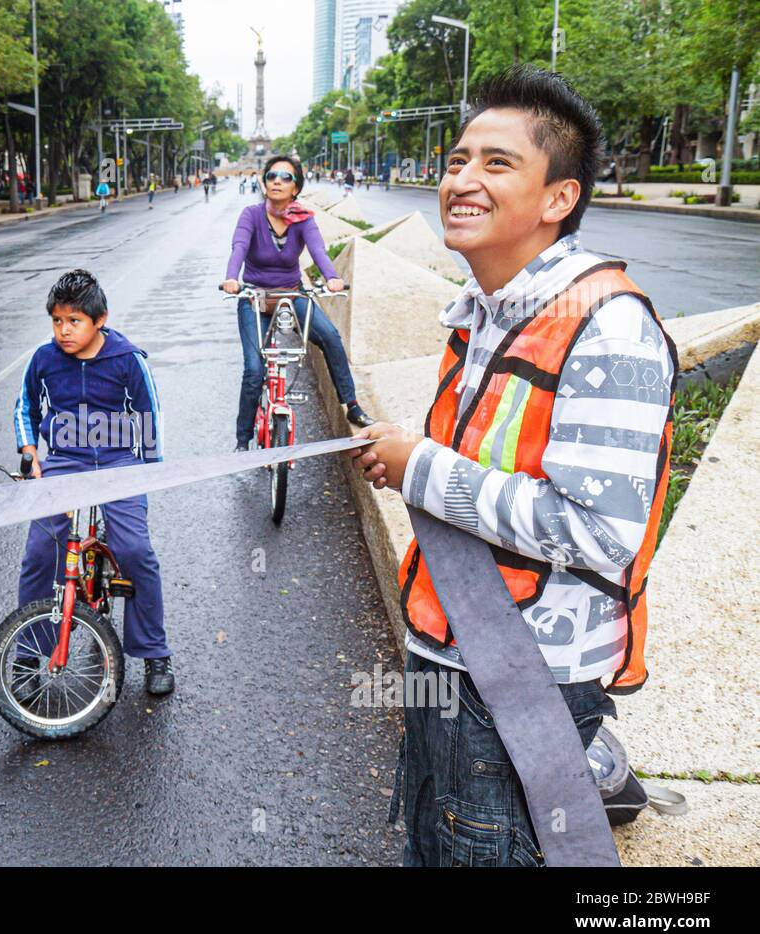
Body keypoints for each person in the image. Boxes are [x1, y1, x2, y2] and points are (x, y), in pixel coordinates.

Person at [346, 66, 676, 867]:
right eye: (458, 160)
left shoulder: (608, 328)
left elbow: (602, 533)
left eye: (497, 164)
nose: (462, 180)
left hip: (525, 680)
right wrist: (410, 457)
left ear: (558, 198)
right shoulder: (486, 311)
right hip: (452, 649)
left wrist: (420, 469)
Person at [13, 269, 174, 696]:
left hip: (119, 463)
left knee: (135, 551)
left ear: (99, 320)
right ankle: (29, 652)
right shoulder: (43, 359)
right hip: (65, 463)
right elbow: (25, 408)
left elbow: (149, 415)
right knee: (38, 552)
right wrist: (30, 453)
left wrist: (150, 466)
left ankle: (155, 652)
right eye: (57, 321)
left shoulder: (126, 359)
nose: (63, 331)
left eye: (74, 321)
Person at [222, 154, 374, 450]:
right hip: (254, 296)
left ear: (296, 187)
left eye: (286, 177)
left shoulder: (303, 219)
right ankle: (243, 440)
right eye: (271, 176)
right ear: (264, 183)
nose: (277, 180)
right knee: (254, 369)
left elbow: (318, 250)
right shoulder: (251, 215)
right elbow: (238, 248)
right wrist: (231, 278)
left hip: (291, 294)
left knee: (330, 336)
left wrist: (332, 277)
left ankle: (352, 404)